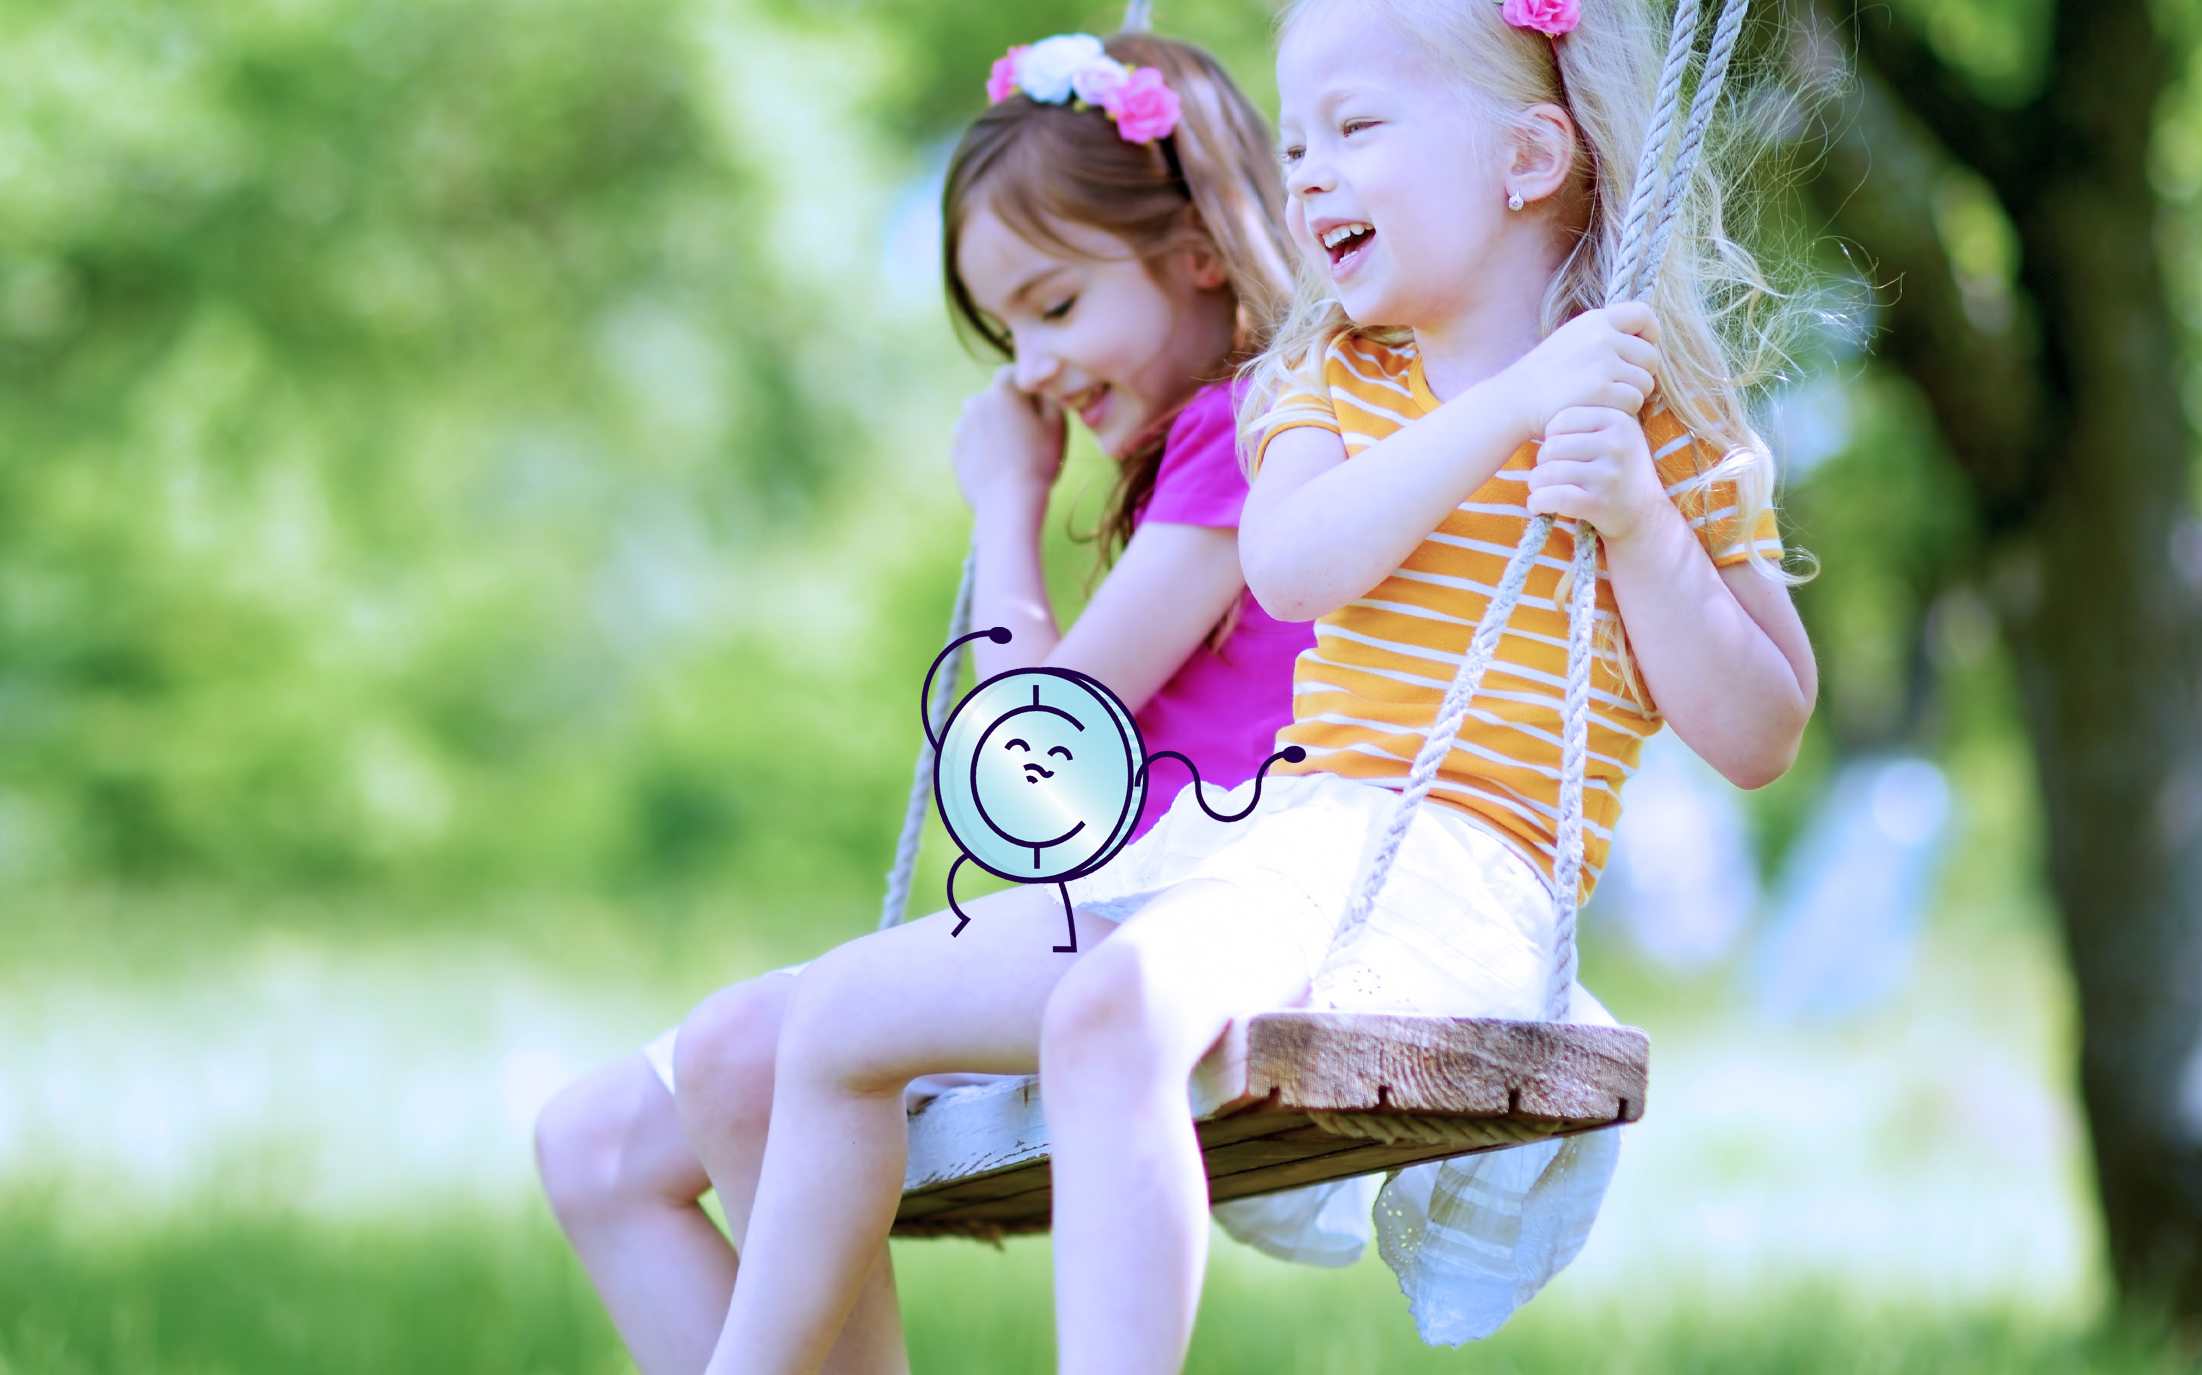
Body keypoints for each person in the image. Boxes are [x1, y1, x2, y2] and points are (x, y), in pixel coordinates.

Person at [694, 0, 1820, 1369]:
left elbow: (1758, 732)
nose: (1304, 174)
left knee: (1109, 1014)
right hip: (1273, 846)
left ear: (1527, 160)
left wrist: (1639, 525)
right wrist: (1514, 411)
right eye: (1293, 143)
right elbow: (1291, 565)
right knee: (828, 1021)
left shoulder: (1660, 426)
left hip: (1460, 876)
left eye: (1353, 128)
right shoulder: (1320, 387)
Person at [527, 30, 1317, 1375]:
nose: (1026, 367)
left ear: (1199, 250)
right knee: (590, 1146)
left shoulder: (1254, 431)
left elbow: (1030, 761)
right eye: (1004, 326)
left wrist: (1010, 507)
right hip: (1110, 908)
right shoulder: (1200, 444)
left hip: (1198, 908)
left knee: (741, 1055)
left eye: (1054, 306)